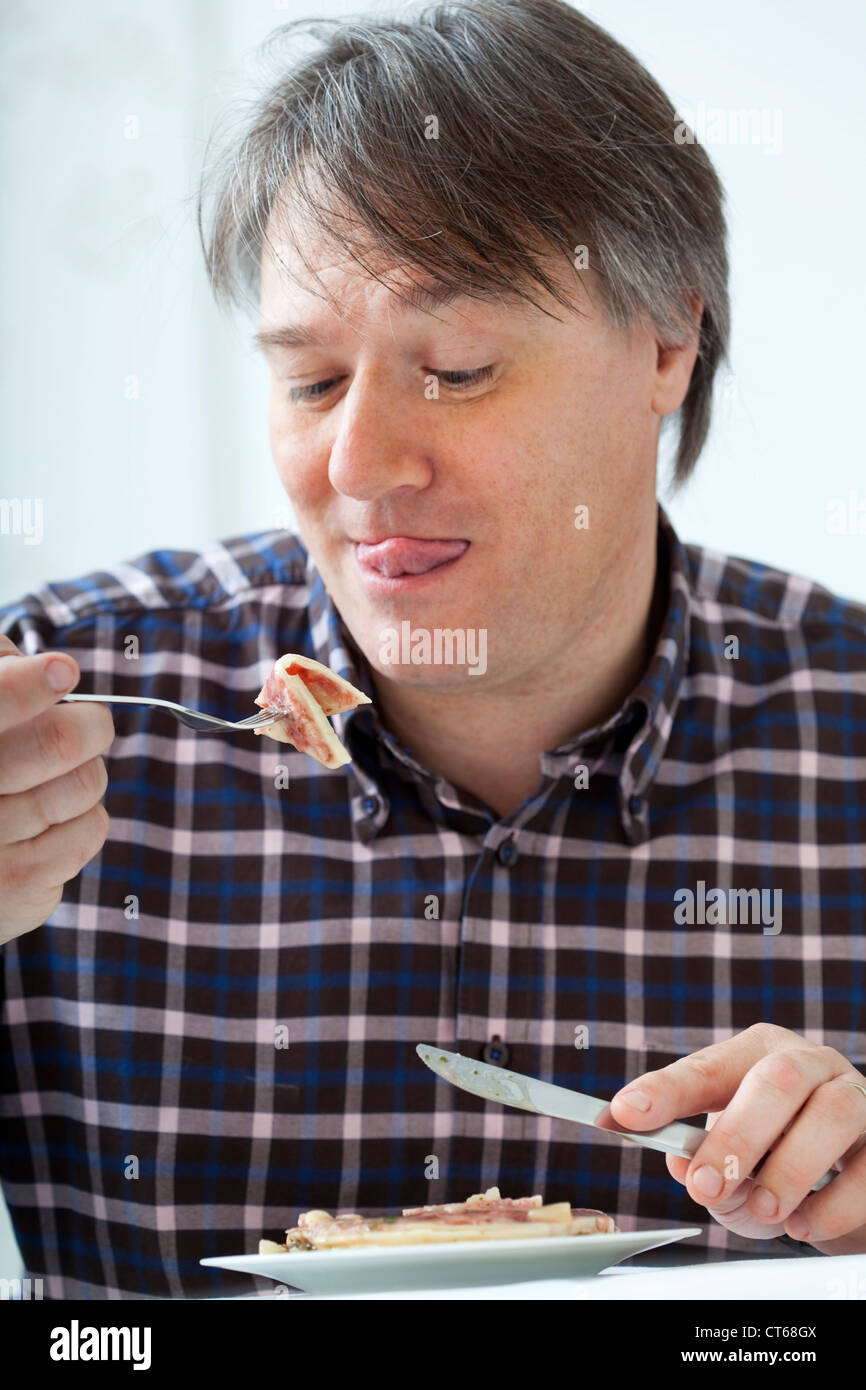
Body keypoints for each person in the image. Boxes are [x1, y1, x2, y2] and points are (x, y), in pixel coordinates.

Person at [1, 0, 864, 1299]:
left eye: (456, 368)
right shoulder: (57, 721)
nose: (356, 468)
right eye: (307, 381)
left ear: (667, 344)